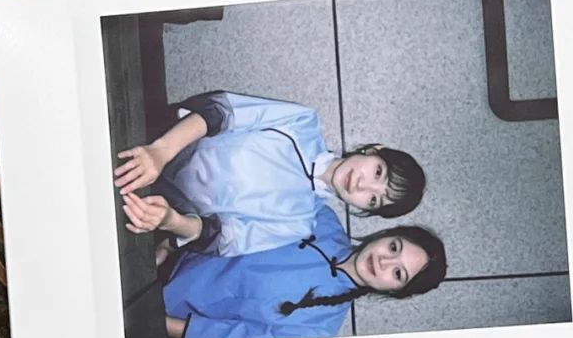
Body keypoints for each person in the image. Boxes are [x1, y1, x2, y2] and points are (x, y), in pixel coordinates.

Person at [114, 89, 426, 260]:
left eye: (372, 200)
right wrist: (160, 152)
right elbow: (220, 112)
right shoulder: (302, 124)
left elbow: (222, 238)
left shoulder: (299, 223)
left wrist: (171, 221)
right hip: (154, 138)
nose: (362, 185)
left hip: (159, 205)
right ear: (373, 150)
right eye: (378, 172)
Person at [160, 200, 447, 338]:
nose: (384, 261)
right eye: (394, 247)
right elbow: (232, 209)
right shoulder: (320, 216)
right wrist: (167, 244)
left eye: (398, 273)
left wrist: (154, 323)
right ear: (386, 234)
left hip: (158, 312)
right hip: (164, 241)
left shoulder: (318, 330)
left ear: (394, 291)